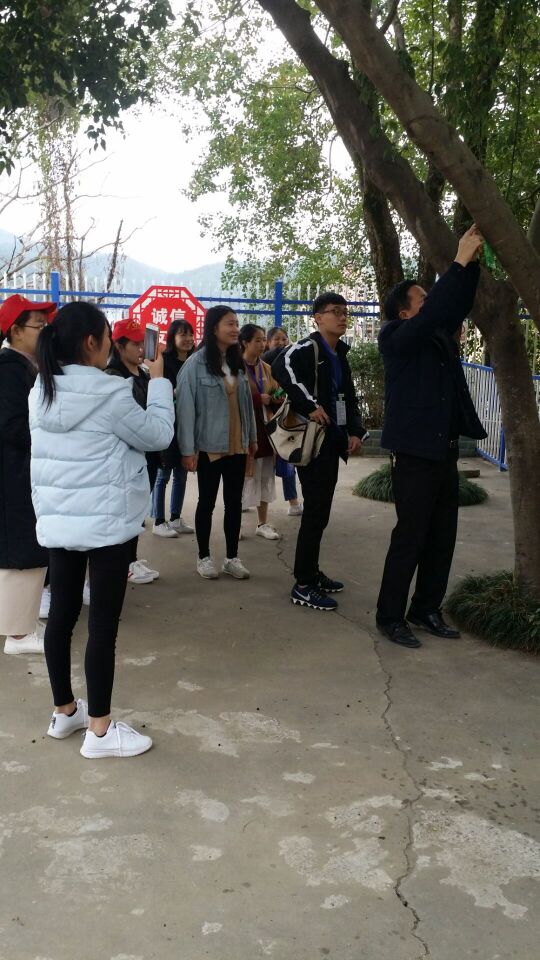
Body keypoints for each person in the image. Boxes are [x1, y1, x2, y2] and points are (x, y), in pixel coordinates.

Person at [29, 302, 173, 758]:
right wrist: (160, 382)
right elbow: (158, 435)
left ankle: (65, 712)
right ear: (92, 342)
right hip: (107, 524)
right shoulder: (111, 393)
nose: (111, 345)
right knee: (102, 626)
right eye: (108, 338)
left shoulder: (40, 391)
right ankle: (100, 732)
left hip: (59, 520)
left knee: (62, 617)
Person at [375, 225, 487, 649]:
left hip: (444, 449)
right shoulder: (395, 337)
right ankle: (390, 616)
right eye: (421, 298)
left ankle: (425, 608)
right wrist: (456, 261)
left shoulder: (437, 337)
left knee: (442, 536)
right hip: (414, 453)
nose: (429, 302)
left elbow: (453, 305)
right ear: (405, 313)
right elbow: (437, 311)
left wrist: (470, 267)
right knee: (411, 536)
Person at [272, 293, 367, 611]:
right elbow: (281, 366)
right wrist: (310, 405)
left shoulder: (339, 353)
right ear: (317, 317)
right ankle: (303, 584)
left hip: (331, 442)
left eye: (345, 312)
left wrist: (355, 430)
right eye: (334, 311)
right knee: (315, 513)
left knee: (321, 512)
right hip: (312, 443)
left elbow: (348, 395)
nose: (342, 317)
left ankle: (311, 572)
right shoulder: (305, 348)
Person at [177, 305, 257, 580]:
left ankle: (232, 558)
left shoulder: (237, 362)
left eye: (236, 323)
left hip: (237, 445)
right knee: (207, 503)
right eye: (229, 324)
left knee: (234, 503)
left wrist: (252, 438)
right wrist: (188, 450)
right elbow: (185, 411)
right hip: (209, 447)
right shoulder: (194, 365)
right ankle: (204, 557)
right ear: (214, 328)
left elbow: (246, 404)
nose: (236, 329)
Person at [0, 295, 55, 654]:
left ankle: (22, 623)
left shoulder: (26, 366)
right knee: (19, 551)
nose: (45, 332)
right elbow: (12, 426)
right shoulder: (9, 370)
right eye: (39, 326)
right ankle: (18, 635)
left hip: (22, 470)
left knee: (26, 549)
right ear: (16, 331)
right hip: (14, 473)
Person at [105, 318, 161, 582]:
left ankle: (131, 559)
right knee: (125, 512)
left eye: (143, 343)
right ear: (119, 346)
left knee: (138, 511)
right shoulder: (114, 378)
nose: (141, 349)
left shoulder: (144, 374)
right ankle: (124, 564)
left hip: (146, 454)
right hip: (127, 456)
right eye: (135, 344)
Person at [152, 319, 195, 537]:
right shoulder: (164, 361)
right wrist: (175, 393)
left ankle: (175, 518)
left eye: (190, 334)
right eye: (182, 334)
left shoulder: (195, 361)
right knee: (163, 474)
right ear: (172, 337)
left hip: (187, 423)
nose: (188, 339)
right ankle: (158, 521)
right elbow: (156, 388)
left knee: (182, 473)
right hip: (168, 422)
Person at [239, 323, 281, 540]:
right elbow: (231, 397)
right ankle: (234, 523)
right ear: (245, 343)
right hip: (244, 430)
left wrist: (273, 398)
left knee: (265, 475)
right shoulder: (235, 368)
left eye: (264, 339)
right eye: (258, 340)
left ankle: (262, 523)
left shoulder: (266, 368)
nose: (263, 344)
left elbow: (277, 391)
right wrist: (257, 398)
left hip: (265, 430)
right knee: (242, 478)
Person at [263, 326, 303, 517]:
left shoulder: (290, 363)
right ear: (268, 342)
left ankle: (293, 502)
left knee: (287, 459)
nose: (281, 342)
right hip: (265, 419)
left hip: (285, 419)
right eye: (277, 339)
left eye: (284, 339)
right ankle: (247, 500)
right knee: (262, 466)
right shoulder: (261, 365)